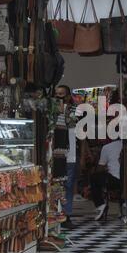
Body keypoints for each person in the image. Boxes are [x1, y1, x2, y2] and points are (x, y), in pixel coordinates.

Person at [54, 85, 78, 229]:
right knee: (56, 185)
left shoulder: (72, 110)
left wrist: (63, 109)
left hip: (69, 154)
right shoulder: (52, 110)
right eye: (57, 94)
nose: (59, 97)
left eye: (62, 94)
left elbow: (71, 123)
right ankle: (55, 214)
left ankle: (66, 215)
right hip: (55, 153)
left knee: (67, 186)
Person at [93, 137, 123, 221]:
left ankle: (100, 204)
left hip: (114, 180)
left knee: (94, 178)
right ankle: (123, 207)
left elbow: (100, 167)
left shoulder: (107, 147)